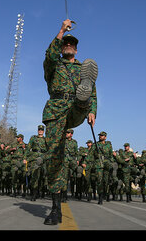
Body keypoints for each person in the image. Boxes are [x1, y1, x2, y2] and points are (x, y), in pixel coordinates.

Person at [41, 19, 98, 225]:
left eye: (71, 44)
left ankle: (83, 104)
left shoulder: (83, 68)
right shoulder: (53, 66)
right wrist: (61, 30)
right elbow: (48, 55)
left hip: (74, 109)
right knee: (54, 156)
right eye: (65, 43)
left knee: (85, 93)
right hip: (56, 109)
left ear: (75, 48)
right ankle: (55, 209)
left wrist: (92, 111)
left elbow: (93, 90)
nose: (68, 45)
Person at [24, 125, 47, 201]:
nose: (40, 131)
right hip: (34, 159)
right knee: (34, 176)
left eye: (41, 130)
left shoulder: (46, 139)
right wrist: (25, 158)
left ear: (43, 131)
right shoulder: (33, 138)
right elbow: (28, 148)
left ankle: (40, 192)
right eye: (39, 129)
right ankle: (34, 194)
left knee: (42, 176)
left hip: (43, 159)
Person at [63, 128, 78, 202]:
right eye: (66, 132)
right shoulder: (62, 141)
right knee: (65, 179)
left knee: (78, 171)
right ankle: (64, 195)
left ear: (71, 134)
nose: (66, 133)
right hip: (64, 161)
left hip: (72, 161)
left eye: (68, 133)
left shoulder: (74, 142)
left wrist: (77, 160)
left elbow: (76, 152)